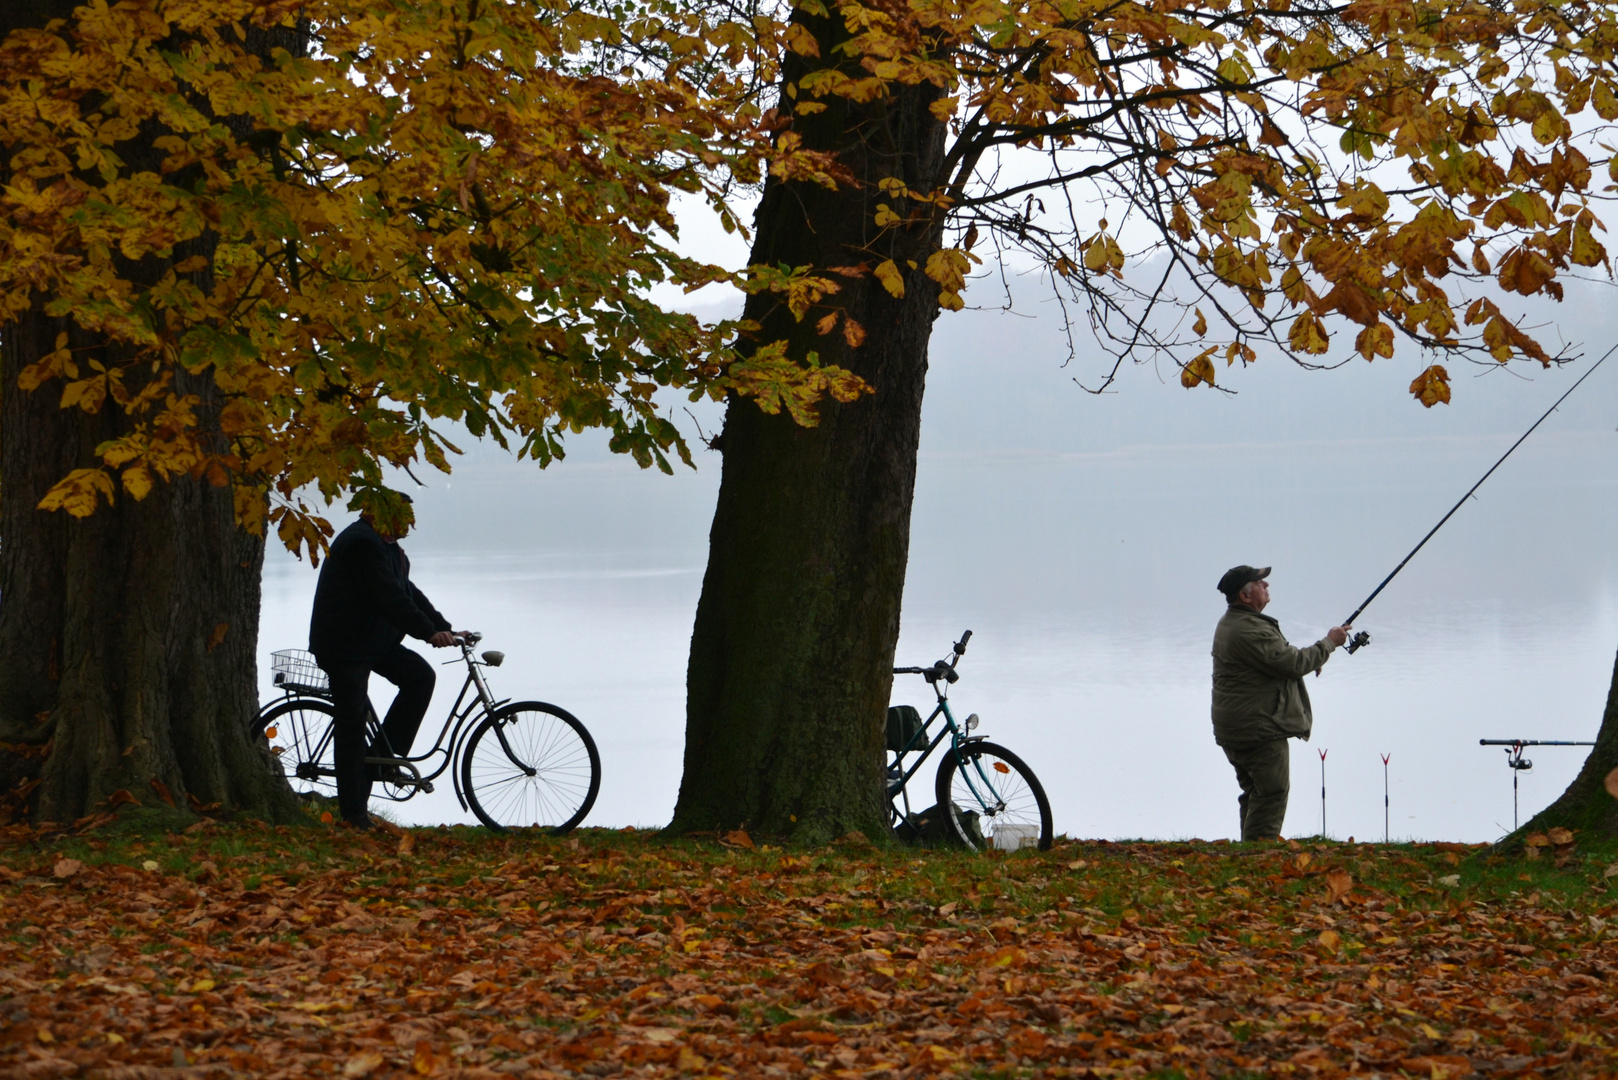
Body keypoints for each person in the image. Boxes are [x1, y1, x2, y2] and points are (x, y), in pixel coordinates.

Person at [308, 492, 463, 829]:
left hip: (372, 641)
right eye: (404, 517)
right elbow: (390, 598)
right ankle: (354, 813)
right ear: (381, 515)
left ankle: (382, 762)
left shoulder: (385, 545)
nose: (410, 524)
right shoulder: (361, 544)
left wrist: (444, 628)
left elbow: (407, 591)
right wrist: (427, 633)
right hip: (344, 645)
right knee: (352, 720)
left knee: (419, 677)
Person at [1211, 566, 1351, 841]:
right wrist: (1329, 644)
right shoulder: (1248, 630)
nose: (1266, 583)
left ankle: (1249, 854)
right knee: (1271, 793)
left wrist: (1314, 659)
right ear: (1245, 595)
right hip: (1258, 729)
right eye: (1259, 582)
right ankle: (1259, 857)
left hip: (1239, 726)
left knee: (1255, 792)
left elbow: (1279, 660)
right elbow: (1293, 663)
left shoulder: (1236, 623)